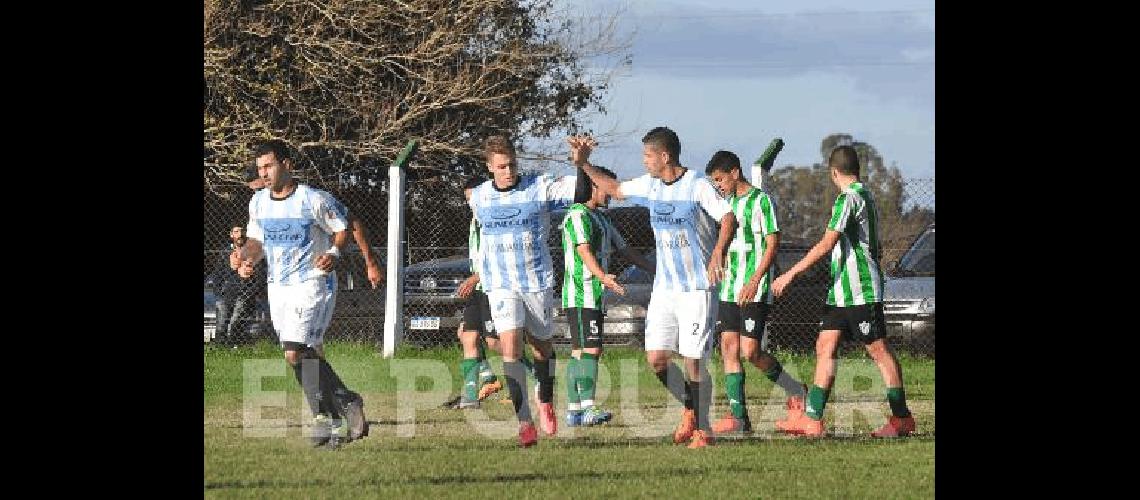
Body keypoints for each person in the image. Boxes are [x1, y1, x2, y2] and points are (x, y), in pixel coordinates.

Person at [570, 128, 737, 448]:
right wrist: (584, 164)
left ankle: (704, 429)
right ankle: (690, 407)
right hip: (664, 289)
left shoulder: (697, 185)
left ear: (665, 156)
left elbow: (728, 217)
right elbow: (616, 190)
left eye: (648, 155)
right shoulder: (650, 185)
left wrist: (718, 251)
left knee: (694, 360)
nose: (644, 161)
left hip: (696, 289)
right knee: (657, 359)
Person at [770, 144, 916, 438]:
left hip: (860, 289)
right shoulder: (866, 195)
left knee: (878, 350)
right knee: (825, 346)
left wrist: (790, 274)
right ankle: (812, 419)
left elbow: (826, 244)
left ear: (833, 172)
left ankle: (902, 418)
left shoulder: (849, 199)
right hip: (840, 290)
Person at [231, 139, 368, 449]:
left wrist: (333, 252)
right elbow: (256, 241)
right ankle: (343, 402)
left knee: (294, 351)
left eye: (269, 165)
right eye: (260, 168)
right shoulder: (258, 203)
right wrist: (247, 260)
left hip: (313, 283)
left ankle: (329, 414)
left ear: (287, 164)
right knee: (303, 355)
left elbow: (342, 228)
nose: (263, 173)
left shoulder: (312, 200)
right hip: (278, 287)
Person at [467, 135, 580, 447]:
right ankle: (525, 423)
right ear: (489, 167)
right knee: (510, 350)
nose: (508, 171)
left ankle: (544, 398)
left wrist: (580, 163)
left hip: (536, 282)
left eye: (512, 164)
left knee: (542, 348)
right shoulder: (479, 197)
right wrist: (479, 275)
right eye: (502, 166)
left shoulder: (538, 187)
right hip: (501, 286)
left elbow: (581, 190)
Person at [703, 151, 807, 435]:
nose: (718, 185)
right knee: (728, 348)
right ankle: (739, 418)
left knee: (751, 351)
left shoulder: (761, 200)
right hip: (729, 287)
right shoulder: (726, 205)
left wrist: (755, 279)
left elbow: (773, 243)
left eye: (720, 179)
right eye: (714, 182)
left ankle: (796, 390)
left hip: (754, 287)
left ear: (735, 173)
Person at [560, 165, 653, 427]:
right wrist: (602, 276)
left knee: (580, 352)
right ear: (592, 185)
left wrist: (657, 269)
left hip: (594, 294)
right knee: (591, 349)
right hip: (581, 292)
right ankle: (587, 408)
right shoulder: (577, 215)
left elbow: (625, 250)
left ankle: (575, 411)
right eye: (607, 186)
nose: (613, 191)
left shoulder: (601, 217)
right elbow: (583, 251)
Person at [207, 223, 266, 344]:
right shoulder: (226, 253)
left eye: (241, 231)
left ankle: (233, 344)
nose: (239, 235)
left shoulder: (253, 252)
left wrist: (250, 292)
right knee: (222, 322)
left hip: (244, 292)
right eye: (236, 232)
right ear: (231, 235)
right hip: (226, 292)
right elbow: (218, 273)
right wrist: (218, 292)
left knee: (234, 322)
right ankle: (221, 346)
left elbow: (260, 277)